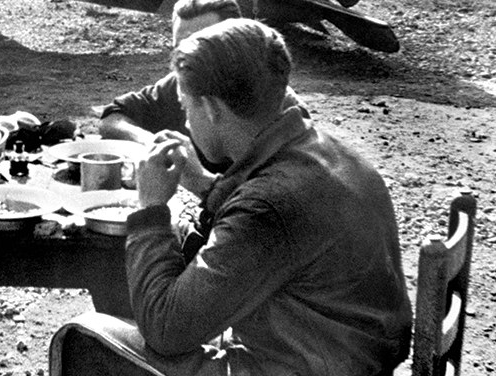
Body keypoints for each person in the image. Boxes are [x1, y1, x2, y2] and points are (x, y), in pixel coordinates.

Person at [126, 19, 412, 375]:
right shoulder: (321, 149)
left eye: (187, 107)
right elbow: (268, 233)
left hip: (300, 367)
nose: (186, 123)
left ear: (213, 108)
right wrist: (205, 185)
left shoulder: (268, 207)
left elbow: (166, 331)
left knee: (87, 337)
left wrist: (150, 210)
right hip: (348, 351)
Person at [97, 0, 243, 146]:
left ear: (234, 42)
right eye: (180, 48)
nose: (188, 58)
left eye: (202, 47)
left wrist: (197, 171)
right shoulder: (179, 84)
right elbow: (113, 118)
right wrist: (149, 140)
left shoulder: (260, 93)